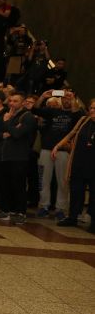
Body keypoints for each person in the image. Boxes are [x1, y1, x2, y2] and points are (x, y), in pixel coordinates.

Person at [33, 90, 83, 219]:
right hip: (46, 149)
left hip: (64, 151)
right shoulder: (53, 111)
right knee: (43, 179)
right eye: (64, 97)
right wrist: (43, 96)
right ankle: (43, 206)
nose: (66, 100)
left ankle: (61, 208)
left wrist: (72, 99)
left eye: (69, 97)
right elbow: (35, 109)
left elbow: (78, 115)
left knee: (63, 181)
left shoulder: (76, 114)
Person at [0, 92, 38, 225]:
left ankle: (20, 212)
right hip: (3, 156)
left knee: (18, 185)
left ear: (23, 103)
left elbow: (17, 134)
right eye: (10, 101)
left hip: (18, 157)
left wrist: (8, 124)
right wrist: (4, 134)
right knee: (4, 185)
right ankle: (5, 210)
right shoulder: (6, 115)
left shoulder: (27, 117)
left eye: (15, 101)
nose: (11, 103)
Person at [55, 99, 95, 233]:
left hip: (93, 165)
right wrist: (58, 146)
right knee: (76, 190)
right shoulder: (84, 120)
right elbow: (71, 133)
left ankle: (94, 221)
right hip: (79, 162)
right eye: (91, 107)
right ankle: (72, 217)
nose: (92, 110)